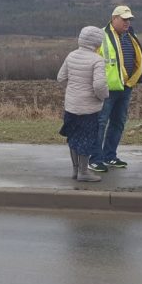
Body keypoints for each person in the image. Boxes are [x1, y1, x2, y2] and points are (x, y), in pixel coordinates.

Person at [89, 5, 142, 173]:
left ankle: (110, 156)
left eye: (129, 19)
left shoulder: (131, 35)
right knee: (100, 123)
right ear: (114, 19)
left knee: (118, 122)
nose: (127, 22)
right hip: (106, 89)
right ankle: (95, 158)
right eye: (124, 19)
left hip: (126, 87)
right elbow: (92, 60)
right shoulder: (101, 35)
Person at [57, 26, 109, 182]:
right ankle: (84, 172)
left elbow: (61, 77)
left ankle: (74, 170)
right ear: (97, 42)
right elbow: (99, 86)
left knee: (73, 137)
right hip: (89, 108)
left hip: (71, 106)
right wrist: (104, 96)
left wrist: (73, 89)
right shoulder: (97, 60)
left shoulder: (71, 55)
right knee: (86, 139)